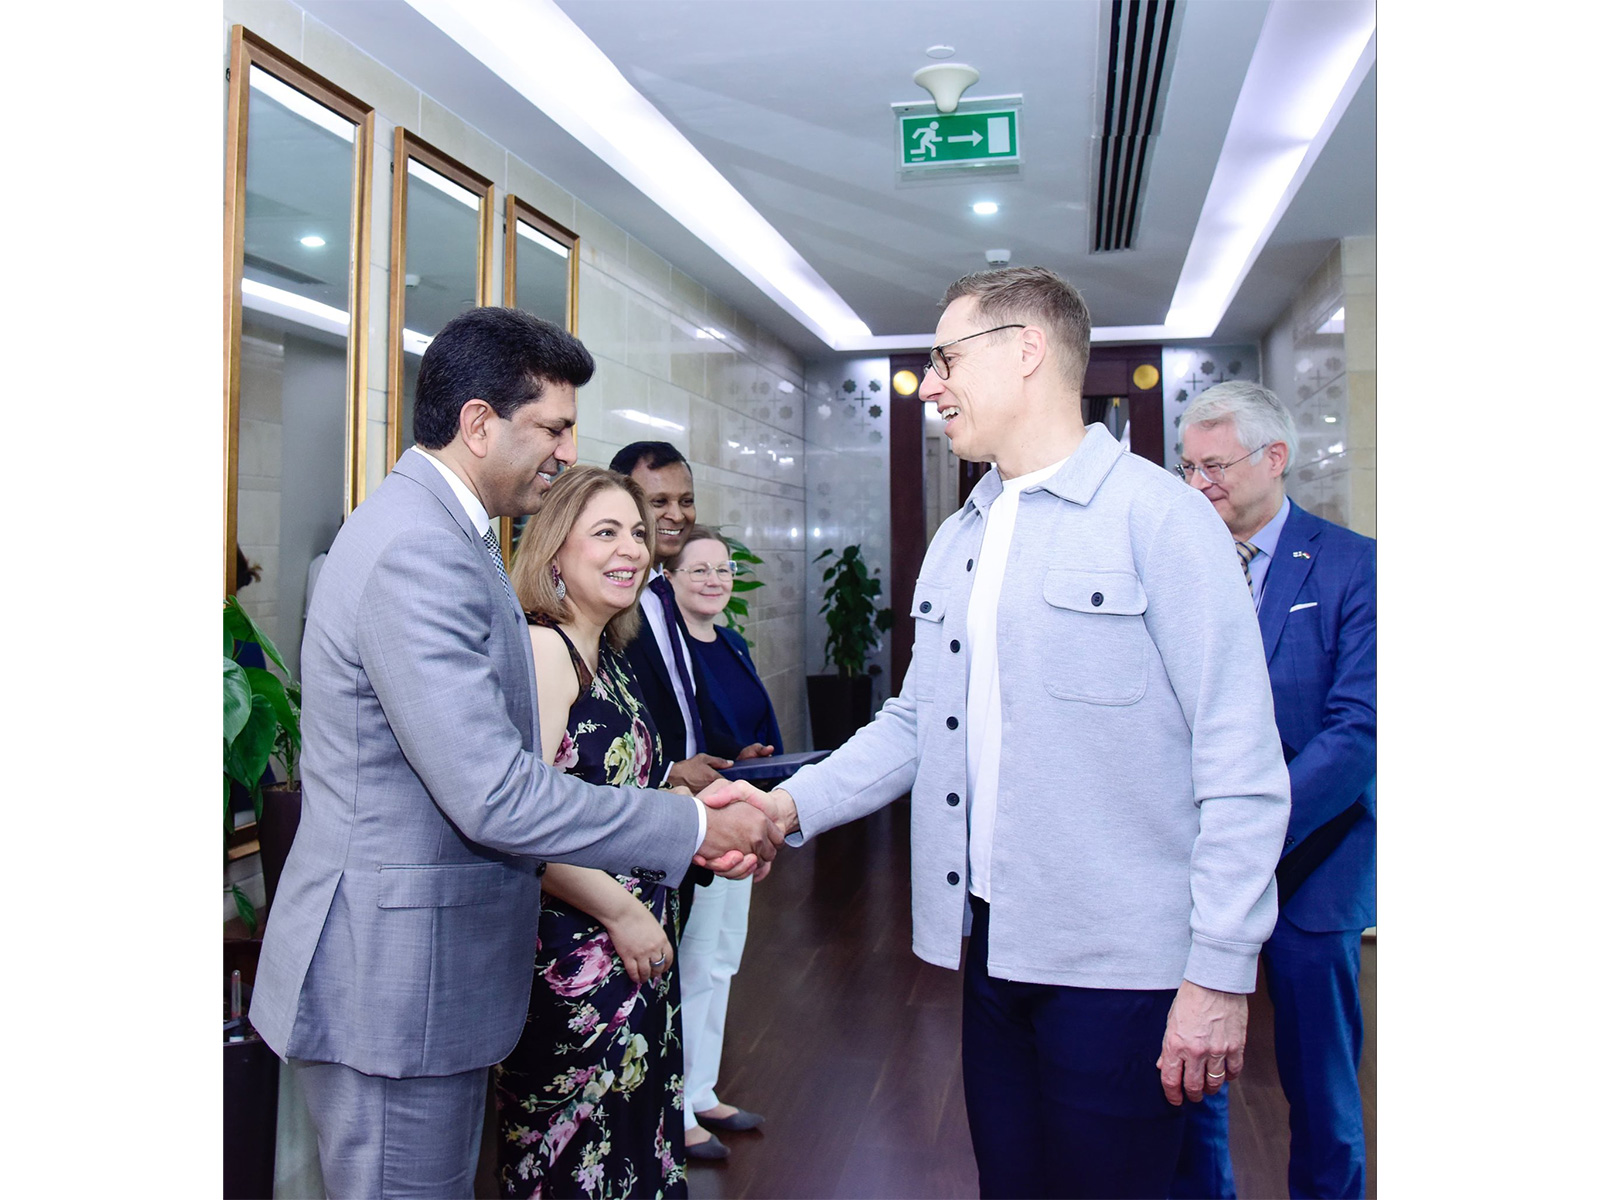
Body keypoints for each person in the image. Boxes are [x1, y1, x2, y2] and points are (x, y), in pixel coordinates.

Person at [705, 267, 1291, 1198]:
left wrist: (1219, 973)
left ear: (1028, 350)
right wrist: (783, 806)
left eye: (946, 359)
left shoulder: (1162, 519)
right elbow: (914, 723)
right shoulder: (961, 536)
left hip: (1125, 968)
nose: (929, 384)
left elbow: (1242, 764)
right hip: (992, 952)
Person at [248, 307, 780, 1198]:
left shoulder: (448, 537)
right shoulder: (417, 549)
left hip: (428, 980)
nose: (567, 452)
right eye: (554, 428)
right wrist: (688, 821)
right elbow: (494, 794)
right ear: (480, 423)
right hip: (396, 986)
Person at [1170, 381, 1376, 1200]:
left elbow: (1360, 729)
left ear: (1274, 458)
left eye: (1215, 466)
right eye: (1189, 468)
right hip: (1191, 859)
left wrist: (1254, 830)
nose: (1200, 485)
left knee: (1321, 1089)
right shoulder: (1182, 567)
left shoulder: (1355, 564)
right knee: (1193, 1070)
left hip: (1315, 855)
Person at [496, 465, 690, 1198]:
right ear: (554, 553)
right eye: (605, 532)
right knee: (575, 1166)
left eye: (637, 534)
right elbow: (522, 821)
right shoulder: (547, 650)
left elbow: (613, 789)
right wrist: (622, 911)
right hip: (578, 955)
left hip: (633, 948)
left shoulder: (607, 654)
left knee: (633, 1154)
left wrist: (689, 789)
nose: (632, 549)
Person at [609, 442, 772, 1161]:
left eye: (684, 501)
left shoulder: (667, 602)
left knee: (709, 961)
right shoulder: (615, 601)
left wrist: (714, 764)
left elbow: (679, 705)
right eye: (656, 502)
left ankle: (693, 1093)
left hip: (693, 809)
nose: (672, 516)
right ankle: (669, 1113)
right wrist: (672, 769)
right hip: (635, 825)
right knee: (665, 972)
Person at [665, 526, 783, 1159]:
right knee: (694, 962)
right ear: (671, 581)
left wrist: (757, 759)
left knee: (722, 959)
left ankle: (703, 1090)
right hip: (699, 825)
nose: (714, 580)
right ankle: (677, 1109)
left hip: (743, 813)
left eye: (723, 570)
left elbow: (759, 721)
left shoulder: (731, 642)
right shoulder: (668, 648)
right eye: (698, 571)